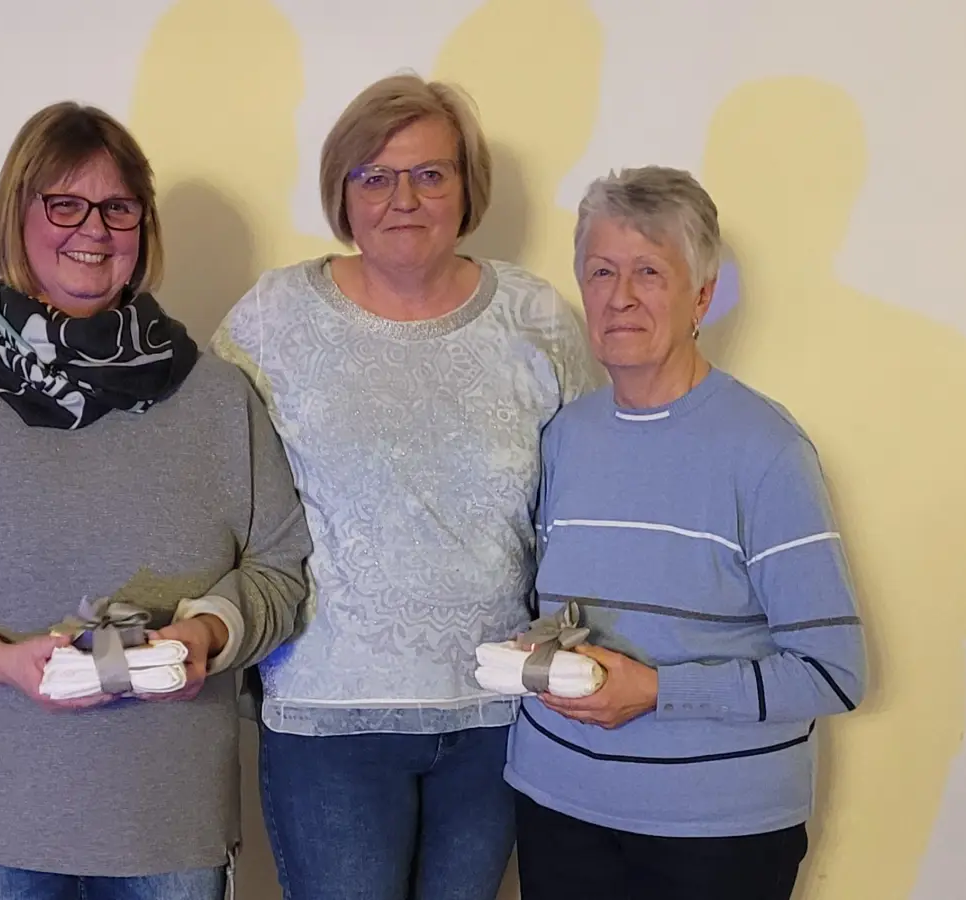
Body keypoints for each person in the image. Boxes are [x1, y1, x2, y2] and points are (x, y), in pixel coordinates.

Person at [0, 101, 311, 900]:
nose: (93, 228)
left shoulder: (217, 397)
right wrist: (1, 664)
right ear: (16, 216)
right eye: (64, 203)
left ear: (142, 227)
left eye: (118, 207)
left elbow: (280, 571)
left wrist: (205, 635)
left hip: (164, 817)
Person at [209, 74, 598, 900]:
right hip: (328, 715)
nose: (404, 198)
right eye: (374, 176)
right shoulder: (273, 319)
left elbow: (586, 500)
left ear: (467, 187)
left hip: (497, 714)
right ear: (341, 193)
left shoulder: (534, 319)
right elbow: (212, 486)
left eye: (431, 174)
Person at [506, 165, 868, 900]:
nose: (620, 296)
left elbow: (835, 671)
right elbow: (560, 610)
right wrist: (538, 647)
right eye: (601, 271)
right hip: (557, 804)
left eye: (649, 272)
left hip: (717, 835)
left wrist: (659, 691)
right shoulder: (561, 438)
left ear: (702, 296)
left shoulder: (766, 451)